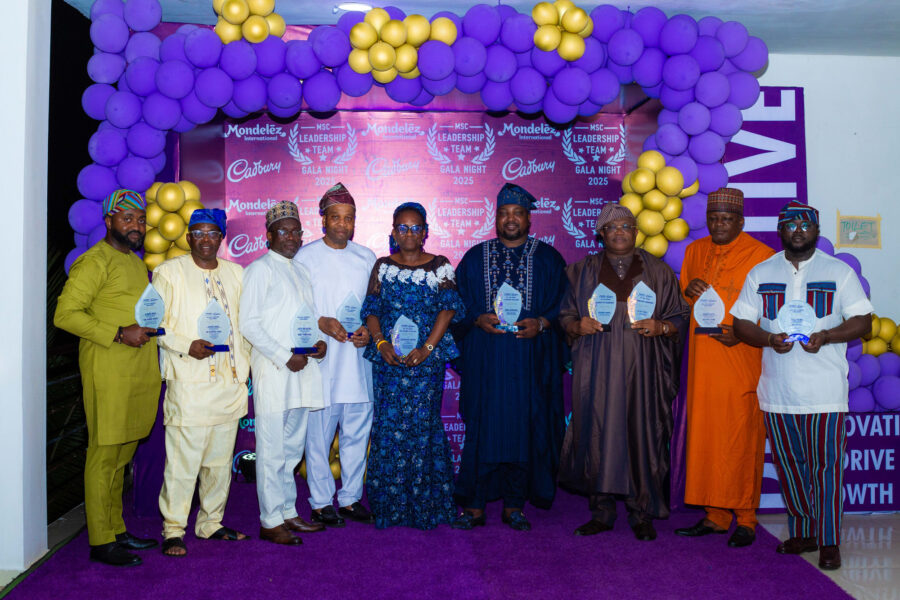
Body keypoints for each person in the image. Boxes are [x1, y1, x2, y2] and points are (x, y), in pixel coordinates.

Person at [731, 201, 872, 570]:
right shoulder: (761, 272)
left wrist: (826, 336)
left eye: (805, 225)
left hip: (825, 393)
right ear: (780, 230)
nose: (798, 231)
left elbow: (863, 321)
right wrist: (767, 338)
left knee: (827, 468)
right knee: (790, 466)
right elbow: (741, 323)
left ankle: (828, 540)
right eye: (790, 225)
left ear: (816, 231)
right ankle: (803, 532)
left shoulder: (837, 272)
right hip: (777, 393)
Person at [558, 203, 689, 541]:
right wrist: (575, 325)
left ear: (636, 232)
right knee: (597, 432)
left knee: (640, 433)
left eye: (626, 226)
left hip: (642, 371)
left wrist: (662, 327)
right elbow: (563, 314)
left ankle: (641, 512)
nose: (619, 232)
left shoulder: (659, 271)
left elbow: (679, 316)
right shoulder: (579, 271)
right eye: (611, 227)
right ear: (600, 234)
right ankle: (601, 512)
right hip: (596, 368)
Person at [54, 189, 161, 566]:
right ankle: (101, 541)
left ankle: (116, 529)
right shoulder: (94, 261)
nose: (136, 226)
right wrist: (117, 333)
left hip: (138, 372)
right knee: (104, 456)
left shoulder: (133, 262)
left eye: (141, 220)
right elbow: (65, 315)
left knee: (122, 456)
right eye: (127, 218)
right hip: (108, 373)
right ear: (108, 221)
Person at [451, 183, 567, 532]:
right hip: (486, 363)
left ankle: (515, 505)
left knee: (523, 429)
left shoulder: (548, 259)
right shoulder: (475, 257)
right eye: (504, 213)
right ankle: (474, 505)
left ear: (529, 219)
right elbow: (455, 304)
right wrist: (476, 318)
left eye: (518, 213)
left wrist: (542, 323)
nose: (511, 219)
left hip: (529, 363)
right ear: (496, 218)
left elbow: (565, 306)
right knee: (483, 429)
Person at [675, 188, 775, 548]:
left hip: (741, 361)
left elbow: (774, 312)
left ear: (741, 222)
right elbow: (683, 301)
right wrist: (687, 291)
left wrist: (746, 334)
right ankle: (715, 515)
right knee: (707, 437)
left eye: (727, 219)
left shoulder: (763, 257)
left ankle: (746, 518)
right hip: (702, 363)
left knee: (741, 438)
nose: (719, 225)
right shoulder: (694, 251)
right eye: (713, 218)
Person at [154, 209, 251, 556]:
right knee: (183, 464)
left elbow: (247, 324)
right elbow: (155, 324)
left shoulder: (236, 273)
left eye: (212, 232)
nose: (205, 239)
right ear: (188, 237)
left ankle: (210, 522)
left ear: (222, 237)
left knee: (219, 464)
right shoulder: (169, 272)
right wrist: (186, 345)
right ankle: (173, 529)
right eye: (198, 232)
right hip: (190, 383)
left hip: (229, 383)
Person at [362, 202, 464, 529]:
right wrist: (381, 343)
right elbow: (372, 309)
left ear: (425, 232)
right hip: (389, 362)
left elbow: (448, 309)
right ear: (393, 232)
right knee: (389, 427)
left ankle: (425, 506)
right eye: (402, 228)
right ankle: (389, 507)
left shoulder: (439, 265)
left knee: (423, 426)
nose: (409, 233)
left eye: (416, 227)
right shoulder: (382, 266)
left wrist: (427, 348)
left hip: (426, 363)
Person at [239, 201, 328, 545]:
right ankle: (270, 520)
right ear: (269, 235)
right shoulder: (259, 270)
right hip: (275, 370)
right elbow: (249, 324)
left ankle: (288, 511)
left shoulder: (301, 270)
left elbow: (307, 318)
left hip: (302, 370)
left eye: (295, 232)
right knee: (272, 448)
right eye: (283, 231)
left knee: (292, 449)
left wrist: (318, 344)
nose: (290, 237)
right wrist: (283, 355)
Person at [295, 183, 376, 528]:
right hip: (322, 360)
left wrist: (370, 331)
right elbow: (293, 307)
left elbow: (376, 307)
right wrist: (320, 323)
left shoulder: (367, 258)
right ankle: (320, 502)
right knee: (318, 437)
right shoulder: (305, 257)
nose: (342, 224)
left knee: (358, 433)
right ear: (323, 220)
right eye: (336, 217)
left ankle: (351, 499)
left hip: (358, 361)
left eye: (348, 218)